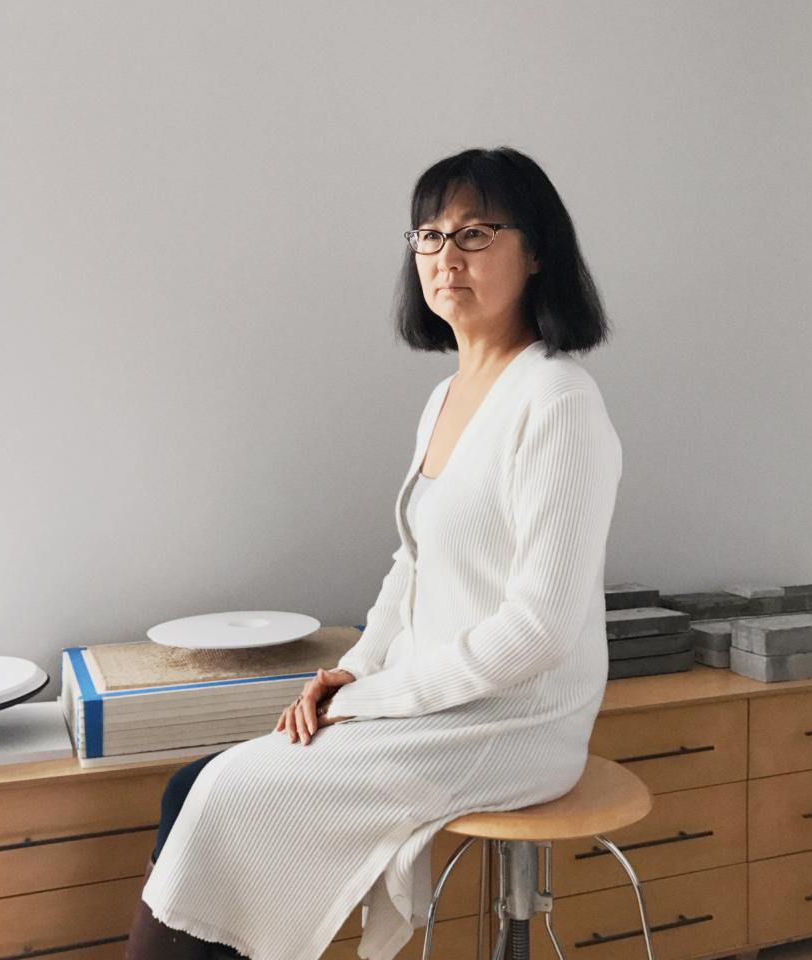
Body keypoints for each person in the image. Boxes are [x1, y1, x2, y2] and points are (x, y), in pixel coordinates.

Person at [125, 145, 622, 960]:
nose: (444, 257)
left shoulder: (559, 403)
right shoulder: (446, 398)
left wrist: (373, 700)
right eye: (428, 235)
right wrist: (355, 668)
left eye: (474, 232)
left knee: (227, 796)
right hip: (427, 699)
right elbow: (413, 564)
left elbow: (538, 631)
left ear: (536, 254)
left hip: (513, 721)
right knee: (195, 786)